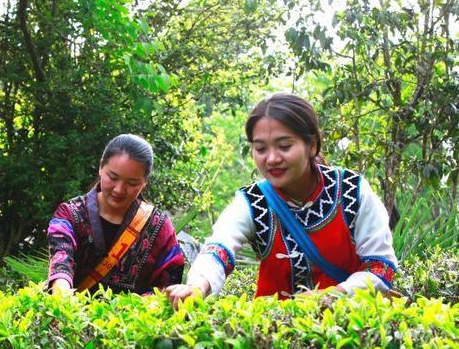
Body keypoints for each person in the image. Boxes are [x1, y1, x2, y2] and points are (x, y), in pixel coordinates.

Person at [165, 93, 397, 308]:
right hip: (272, 335)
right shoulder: (254, 201)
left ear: (312, 145)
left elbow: (381, 266)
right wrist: (198, 285)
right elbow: (218, 247)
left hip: (351, 334)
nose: (272, 158)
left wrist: (334, 294)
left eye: (285, 146)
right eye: (261, 148)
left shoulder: (351, 190)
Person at [47, 134, 185, 294]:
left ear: (144, 183)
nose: (119, 189)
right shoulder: (70, 215)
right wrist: (61, 293)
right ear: (100, 167)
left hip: (134, 317)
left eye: (132, 183)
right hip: (72, 315)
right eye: (113, 177)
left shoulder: (159, 226)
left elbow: (168, 284)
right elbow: (61, 257)